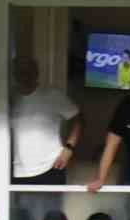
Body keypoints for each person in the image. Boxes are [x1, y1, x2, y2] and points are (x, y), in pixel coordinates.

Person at [10, 56, 81, 185]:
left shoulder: (52, 95)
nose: (24, 75)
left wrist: (69, 148)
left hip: (51, 167)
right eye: (20, 71)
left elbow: (78, 119)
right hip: (18, 170)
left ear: (36, 72)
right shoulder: (9, 99)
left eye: (28, 70)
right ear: (14, 74)